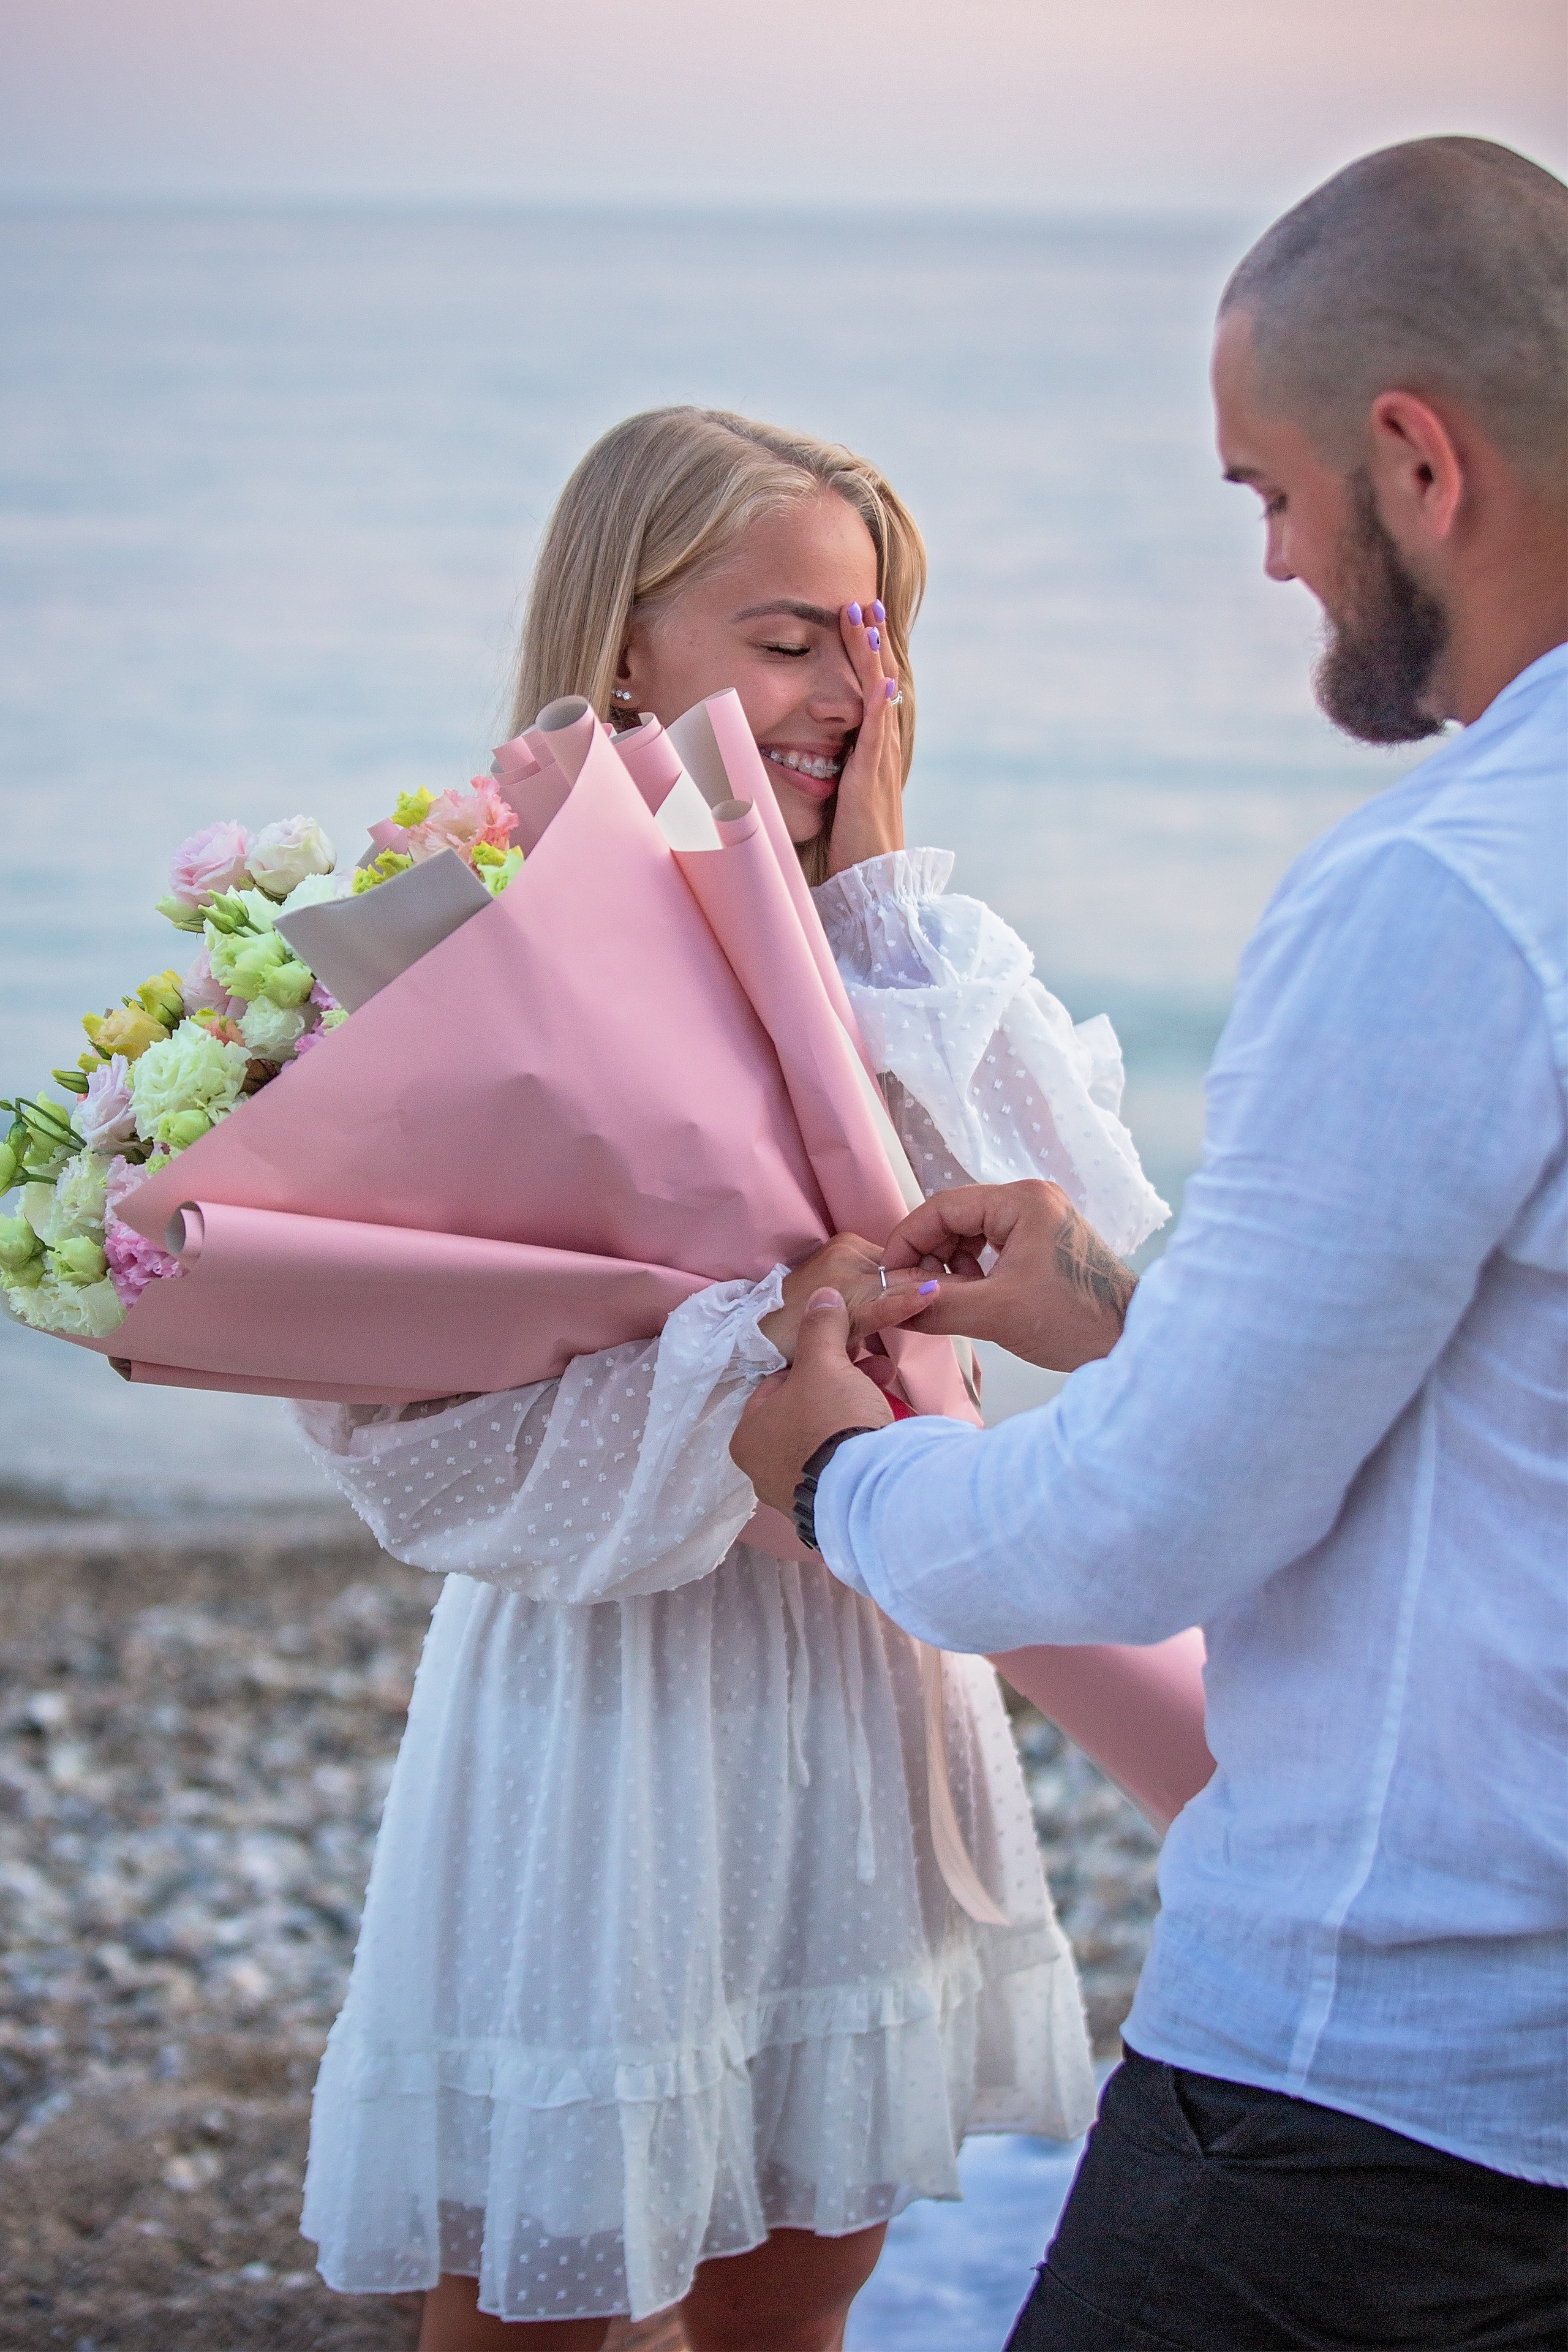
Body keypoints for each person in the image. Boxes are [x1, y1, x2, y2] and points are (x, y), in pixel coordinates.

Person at [733, 137, 1568, 2350]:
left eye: (1268, 494)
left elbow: (1154, 1529)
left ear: (1417, 460)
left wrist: (837, 1471)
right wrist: (1121, 1307)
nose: (1279, 558)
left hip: (1400, 2087)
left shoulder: (1452, 892)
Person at [290, 407, 1169, 2350]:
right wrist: (741, 1372)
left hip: (871, 1666)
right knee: (533, 2297)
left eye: (876, 637)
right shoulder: (462, 936)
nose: (849, 688)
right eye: (789, 636)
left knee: (804, 2287)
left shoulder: (911, 940)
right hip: (613, 1690)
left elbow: (1106, 1251)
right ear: (626, 638)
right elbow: (412, 1448)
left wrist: (873, 905)